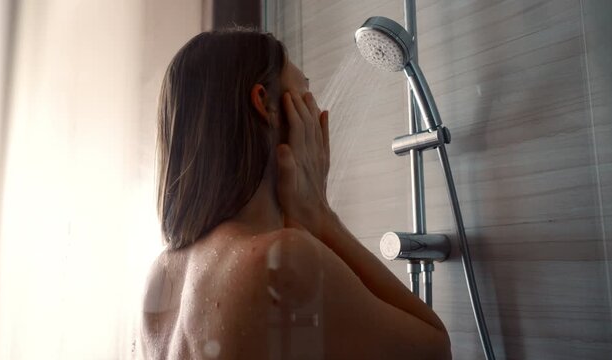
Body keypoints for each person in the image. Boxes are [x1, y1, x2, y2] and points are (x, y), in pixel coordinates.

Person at [141, 28, 451, 360]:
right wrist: (321, 217)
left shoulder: (162, 273)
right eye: (305, 91)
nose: (317, 113)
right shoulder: (281, 259)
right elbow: (435, 349)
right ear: (266, 104)